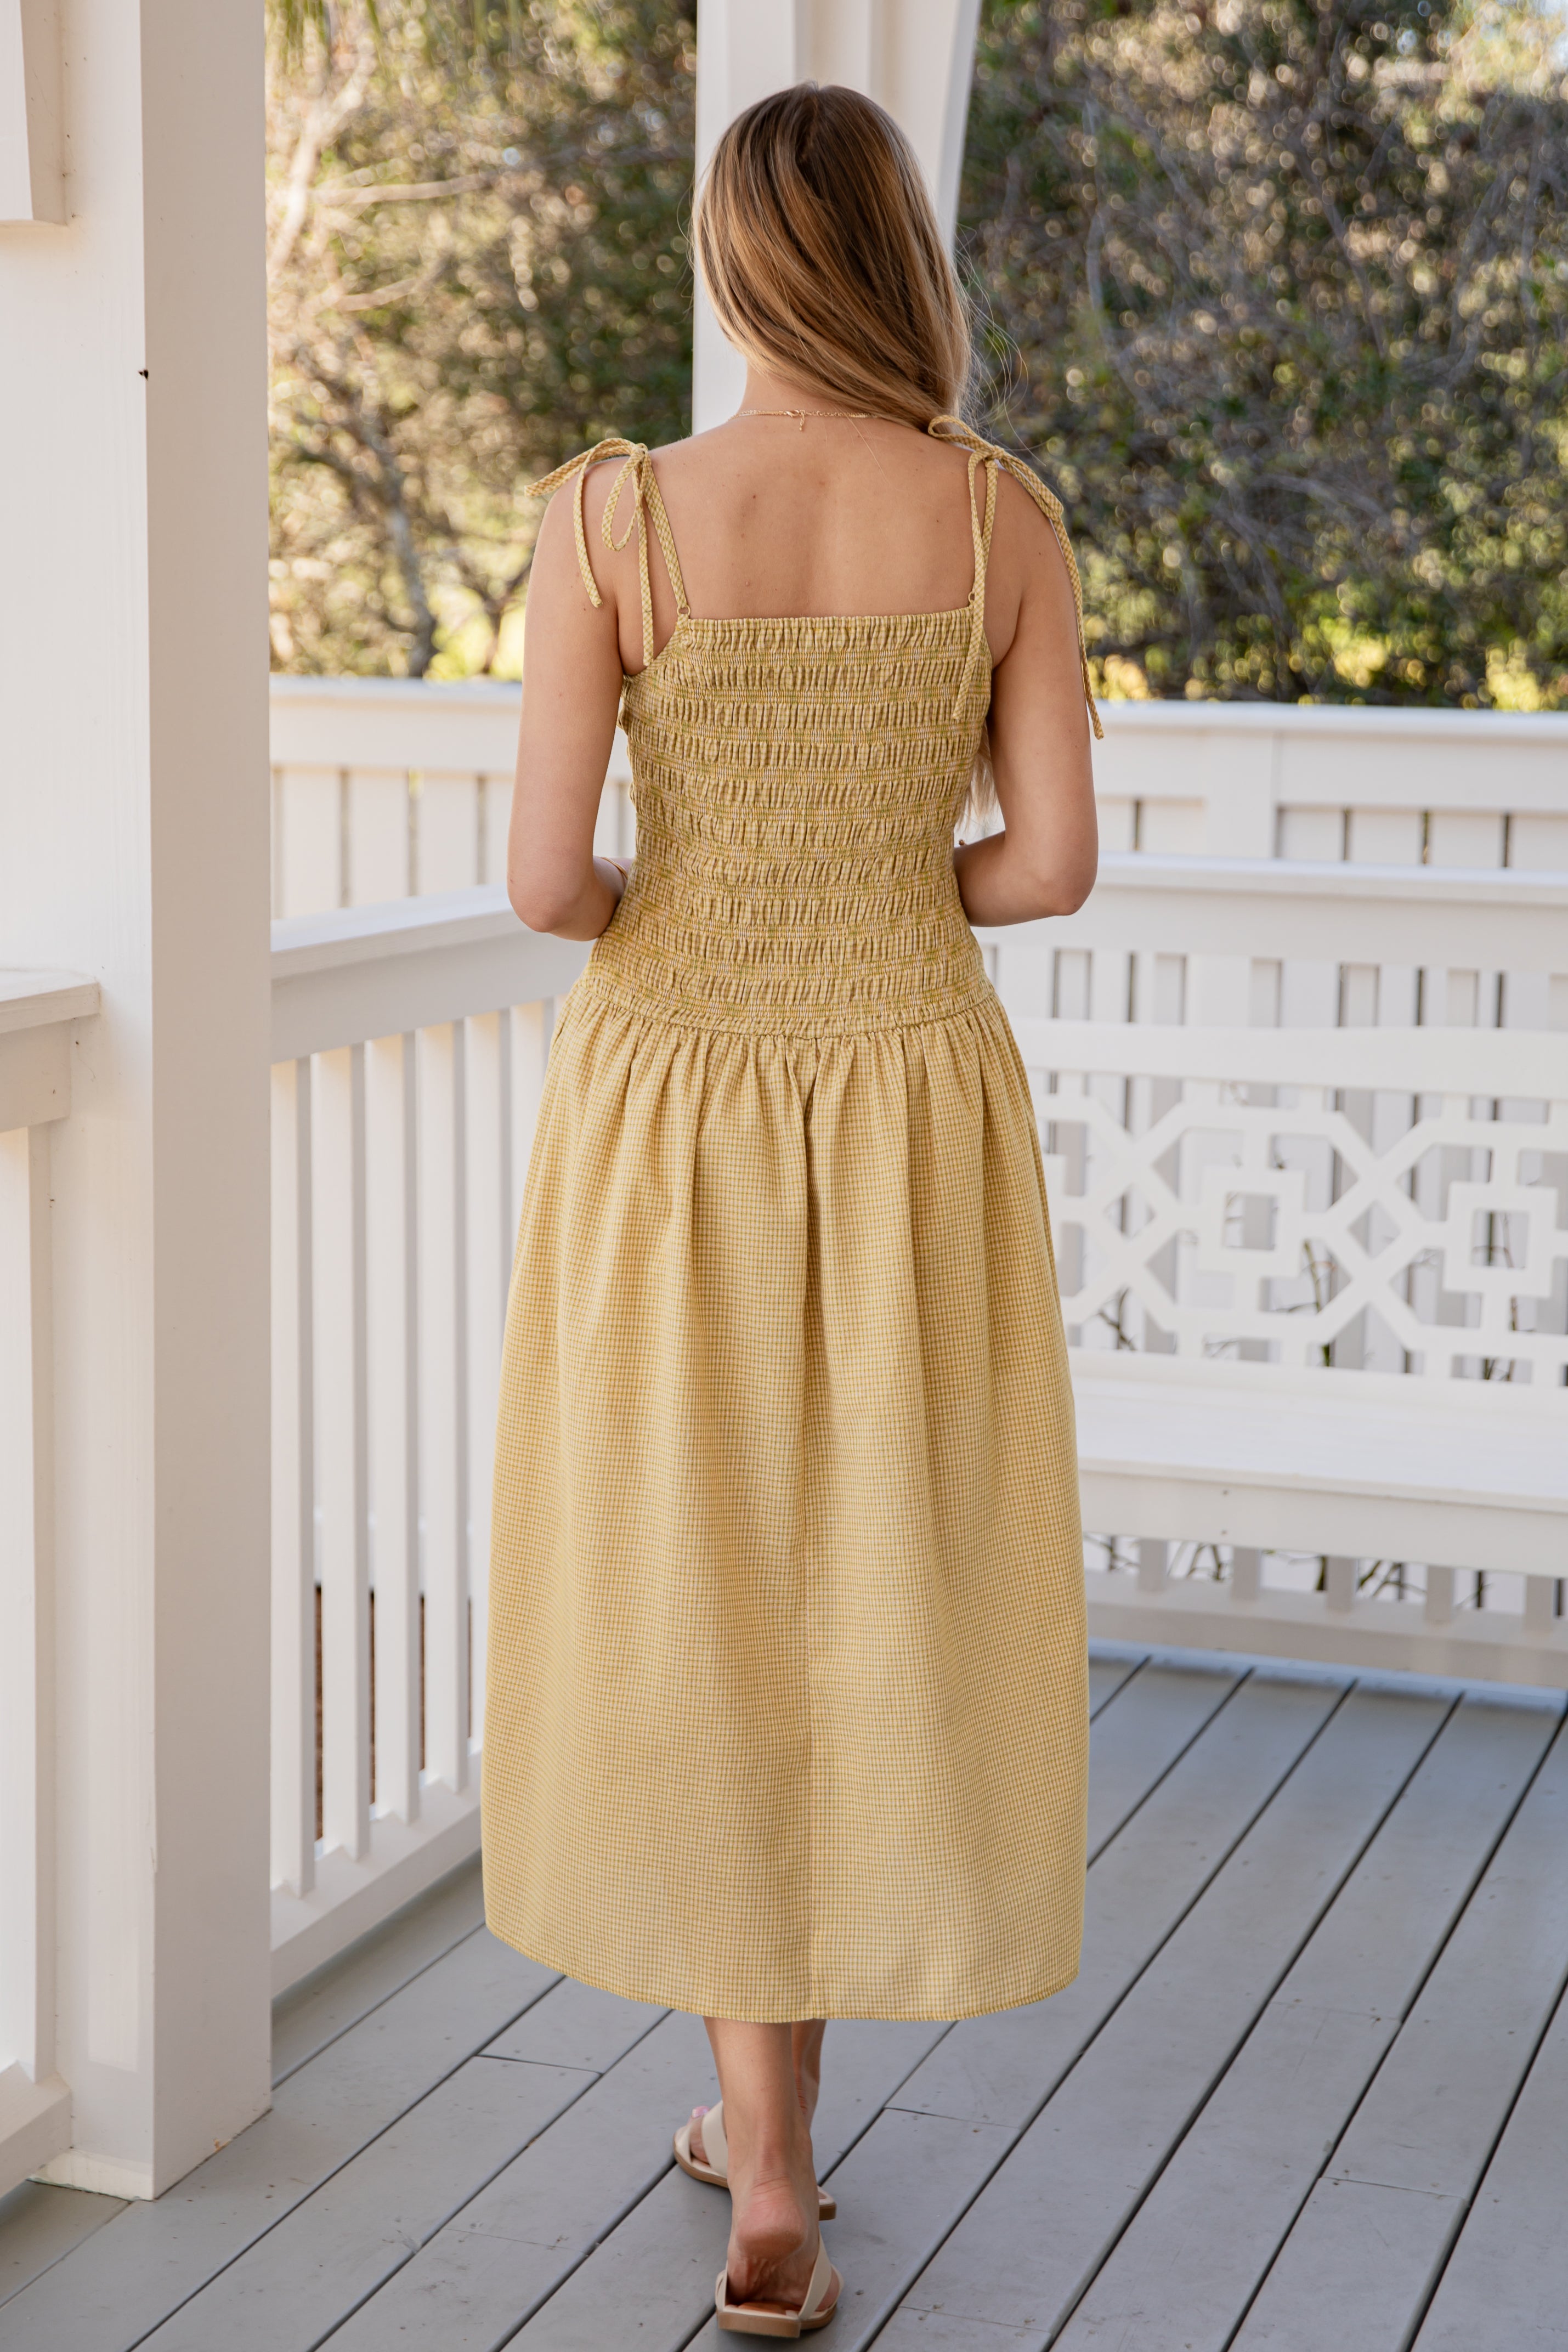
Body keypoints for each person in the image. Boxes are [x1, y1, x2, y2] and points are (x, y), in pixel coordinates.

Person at [483, 81, 1099, 2338]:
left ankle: (765, 2176)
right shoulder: (998, 517)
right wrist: (872, 896)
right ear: (896, 257)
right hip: (914, 1092)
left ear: (738, 264)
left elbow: (551, 880)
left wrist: (704, 901)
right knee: (865, 1576)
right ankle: (775, 2154)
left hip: (673, 1099)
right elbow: (1045, 862)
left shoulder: (613, 516)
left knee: (700, 1571)